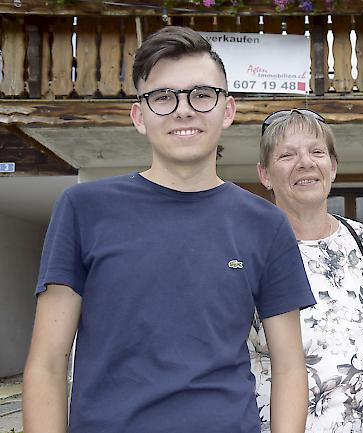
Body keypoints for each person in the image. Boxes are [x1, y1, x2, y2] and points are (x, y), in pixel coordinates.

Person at [22, 27, 315, 433]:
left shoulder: (265, 224)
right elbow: (47, 363)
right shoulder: (83, 209)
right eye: (163, 97)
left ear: (227, 110)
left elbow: (288, 367)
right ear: (139, 116)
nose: (183, 110)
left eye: (201, 94)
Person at [248, 108, 363, 433]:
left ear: (333, 166)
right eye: (287, 155)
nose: (305, 162)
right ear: (265, 174)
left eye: (317, 152)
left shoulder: (359, 238)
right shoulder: (249, 247)